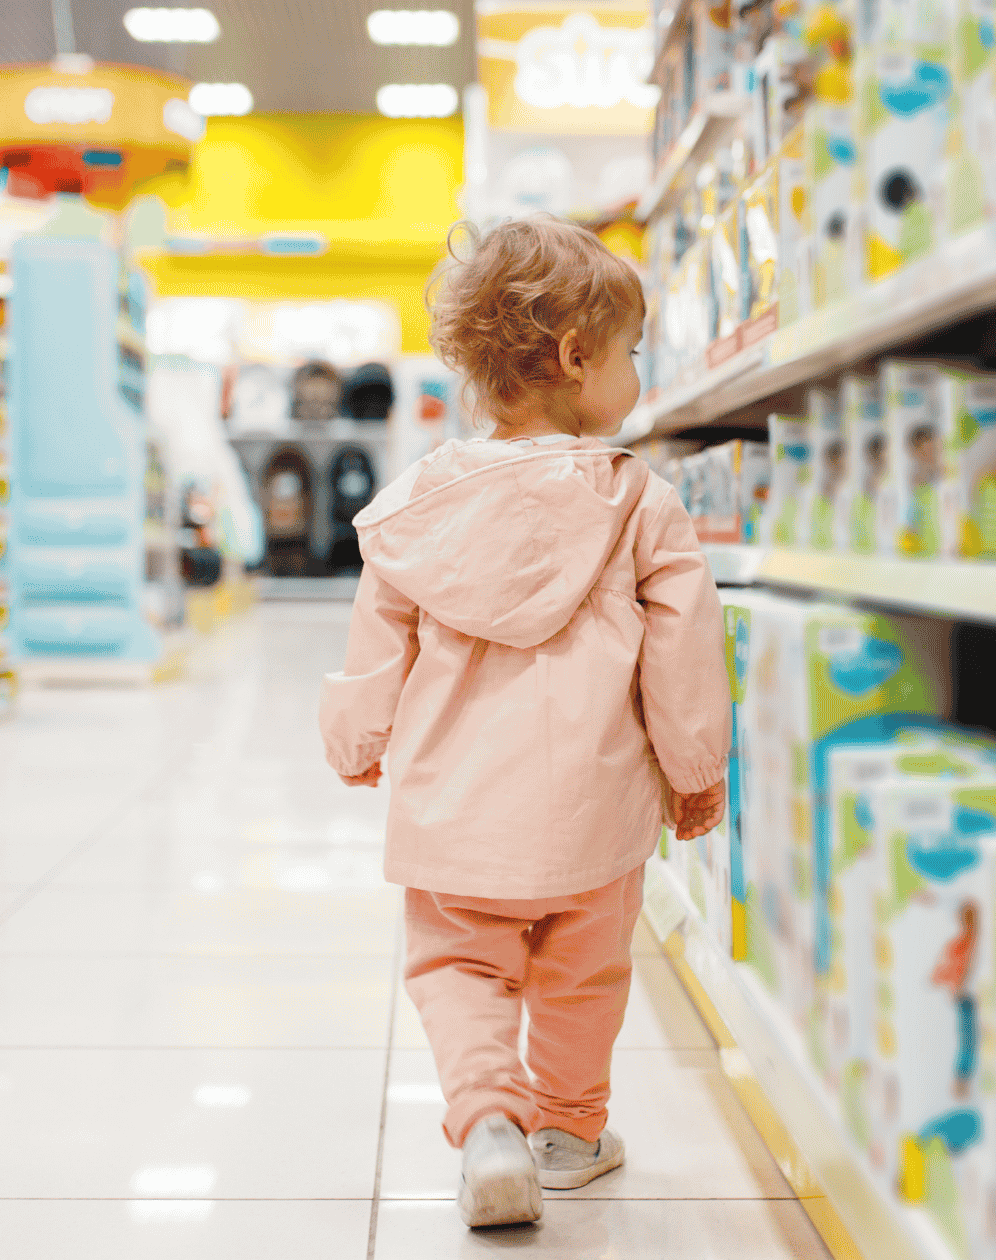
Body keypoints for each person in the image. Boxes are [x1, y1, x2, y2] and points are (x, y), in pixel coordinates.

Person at [318, 216, 731, 1230]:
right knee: (583, 974)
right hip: (597, 814)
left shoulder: (413, 508)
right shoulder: (639, 502)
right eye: (630, 352)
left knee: (457, 968)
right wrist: (693, 769)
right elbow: (683, 651)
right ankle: (568, 1133)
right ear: (574, 357)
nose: (636, 370)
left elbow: (375, 652)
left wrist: (359, 742)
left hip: (455, 814)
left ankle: (487, 1121)